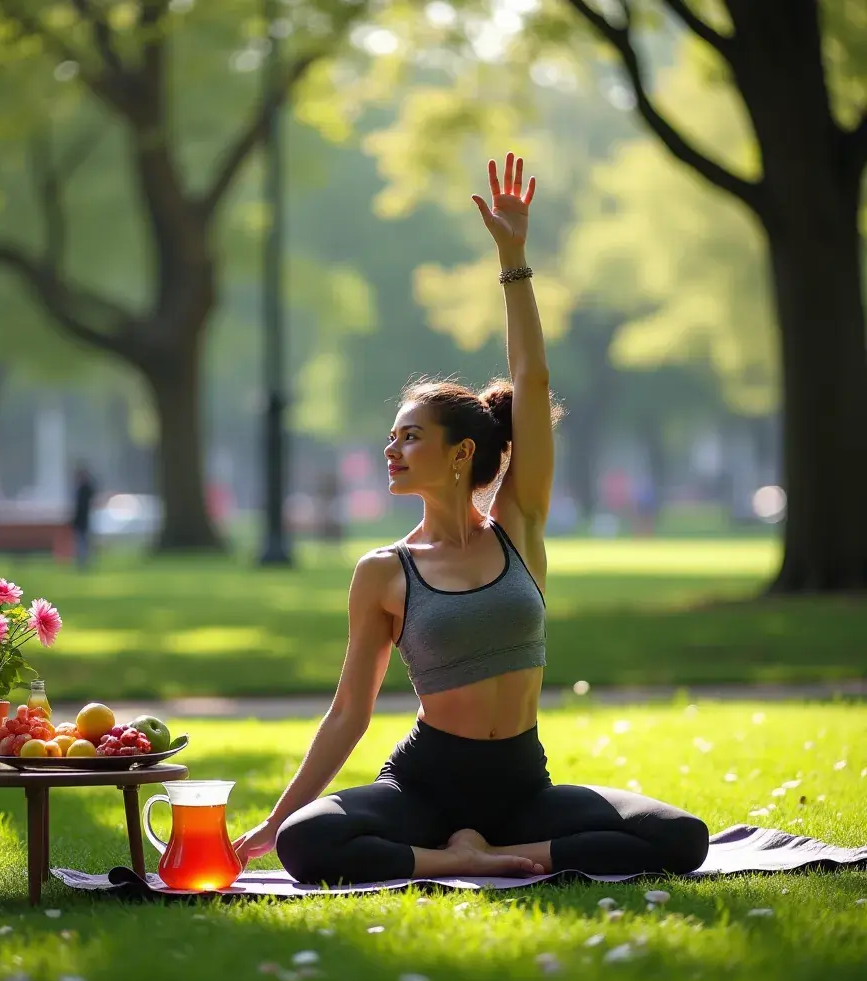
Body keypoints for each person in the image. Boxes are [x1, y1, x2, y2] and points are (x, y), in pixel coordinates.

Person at [233, 153, 709, 885]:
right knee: (305, 844)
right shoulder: (384, 572)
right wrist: (276, 818)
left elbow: (532, 382)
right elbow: (347, 714)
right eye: (391, 436)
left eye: (409, 435)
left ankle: (495, 857)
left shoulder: (518, 525)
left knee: (681, 838)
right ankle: (447, 858)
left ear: (460, 454)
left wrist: (512, 258)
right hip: (422, 789)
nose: (391, 448)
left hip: (525, 790)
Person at [70, 464, 96, 569]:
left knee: (83, 543)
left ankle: (83, 562)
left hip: (84, 520)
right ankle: (83, 562)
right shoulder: (83, 489)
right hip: (83, 520)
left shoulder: (83, 489)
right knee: (82, 543)